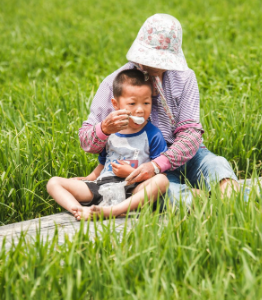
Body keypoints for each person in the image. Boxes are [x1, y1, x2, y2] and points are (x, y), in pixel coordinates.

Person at [79, 14, 239, 207]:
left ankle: (238, 205)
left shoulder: (184, 78)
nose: (154, 65)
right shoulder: (115, 84)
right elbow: (86, 141)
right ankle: (214, 203)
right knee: (167, 193)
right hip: (142, 162)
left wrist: (157, 165)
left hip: (185, 157)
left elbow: (191, 135)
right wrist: (104, 128)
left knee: (218, 165)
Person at [47, 69, 169, 219]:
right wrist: (88, 178)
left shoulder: (153, 134)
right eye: (132, 103)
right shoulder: (110, 131)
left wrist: (131, 174)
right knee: (53, 183)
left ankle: (115, 210)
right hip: (102, 186)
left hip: (132, 189)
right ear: (116, 105)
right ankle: (78, 210)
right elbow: (103, 164)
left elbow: (158, 171)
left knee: (162, 181)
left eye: (146, 103)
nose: (140, 110)